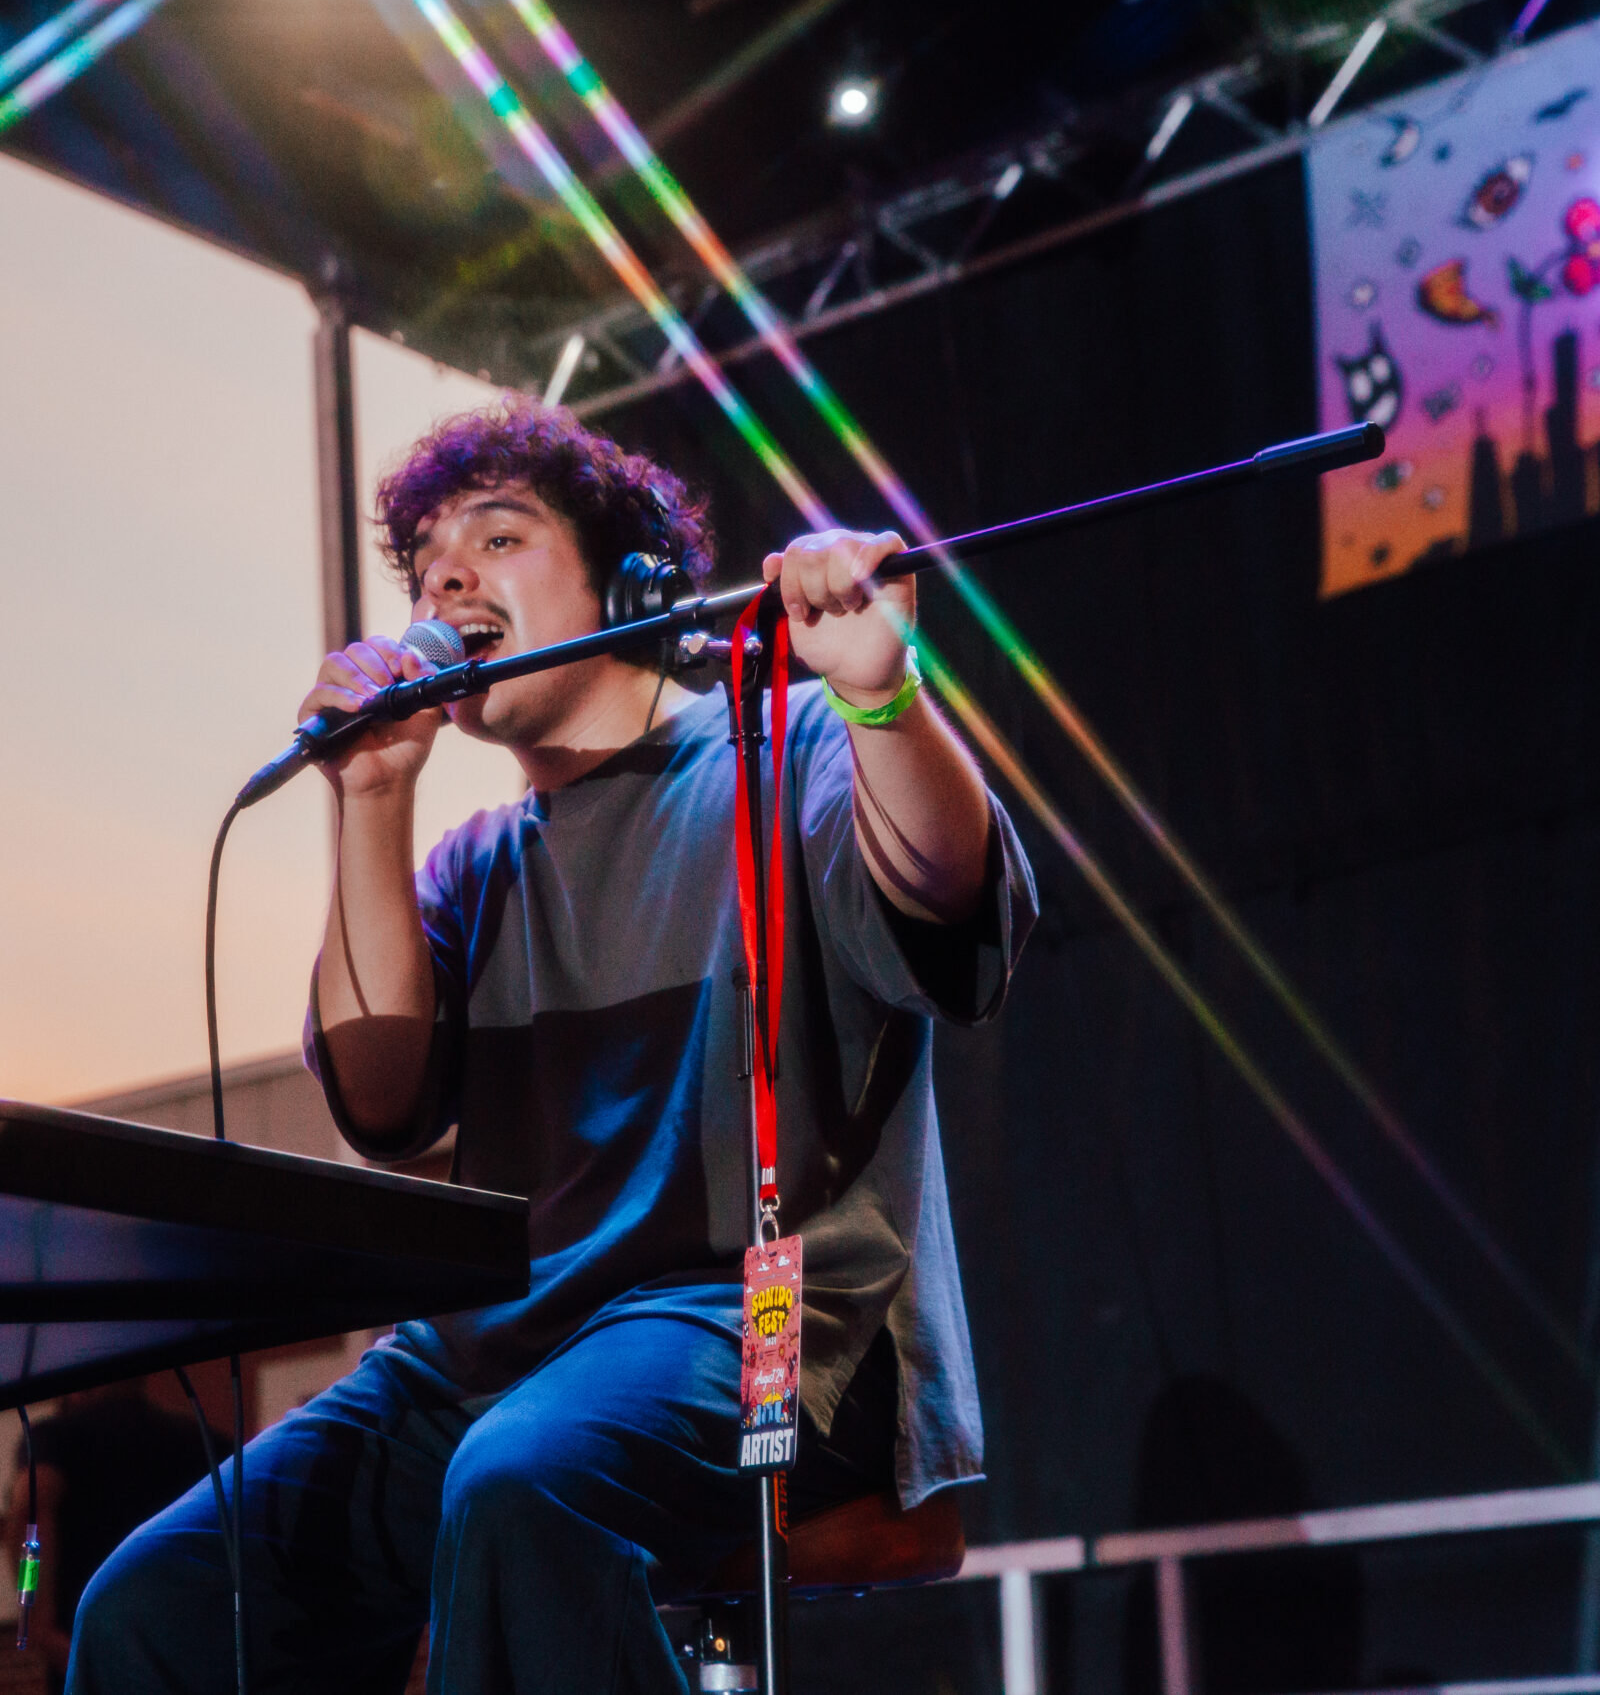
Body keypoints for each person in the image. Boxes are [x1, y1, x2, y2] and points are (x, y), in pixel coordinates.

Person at [69, 397, 1035, 1694]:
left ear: (633, 578)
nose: (447, 576)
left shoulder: (781, 748)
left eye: (498, 536)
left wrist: (880, 692)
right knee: (161, 1600)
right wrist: (371, 799)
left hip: (753, 1323)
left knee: (527, 1479)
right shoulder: (473, 870)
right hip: (490, 1364)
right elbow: (381, 1097)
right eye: (425, 566)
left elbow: (954, 903)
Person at [8, 1381, 231, 1695]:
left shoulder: (56, 1437)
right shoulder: (205, 1441)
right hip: (189, 1663)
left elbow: (30, 1505)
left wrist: (33, 1613)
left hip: (90, 1655)